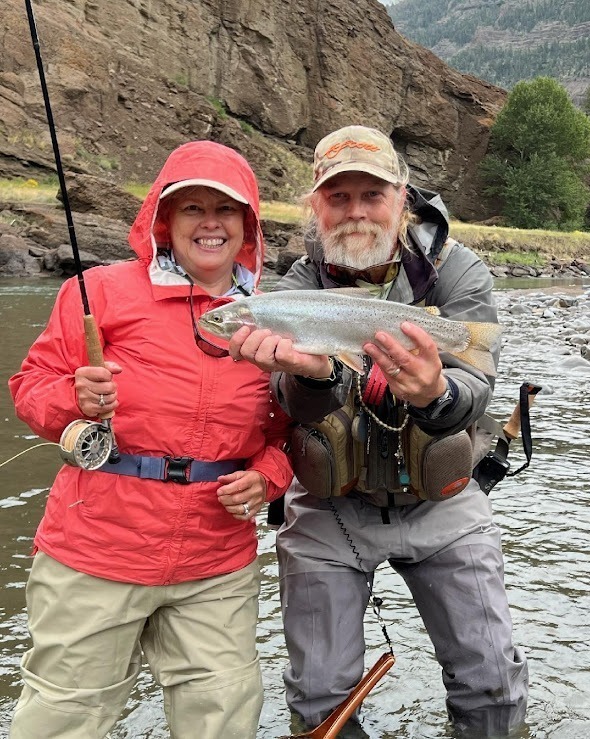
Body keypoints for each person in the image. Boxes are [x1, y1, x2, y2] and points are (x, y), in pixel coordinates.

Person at [229, 125, 528, 736]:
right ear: (316, 206)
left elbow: (475, 390)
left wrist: (435, 394)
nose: (356, 211)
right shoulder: (296, 290)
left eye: (373, 195)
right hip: (329, 509)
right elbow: (290, 407)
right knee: (318, 702)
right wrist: (312, 378)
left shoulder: (457, 271)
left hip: (442, 500)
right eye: (338, 197)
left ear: (403, 198)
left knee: (491, 681)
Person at [8, 140, 293, 739]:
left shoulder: (276, 316)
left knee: (224, 719)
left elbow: (287, 432)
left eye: (226, 209)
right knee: (63, 717)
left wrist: (269, 476)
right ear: (164, 221)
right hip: (95, 550)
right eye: (192, 208)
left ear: (248, 226)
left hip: (216, 562)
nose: (210, 223)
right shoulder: (100, 291)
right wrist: (74, 401)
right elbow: (31, 388)